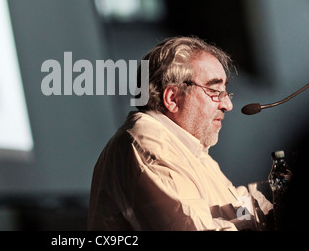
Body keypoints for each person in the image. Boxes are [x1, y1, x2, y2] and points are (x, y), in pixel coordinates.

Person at [88, 36, 254, 231]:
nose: (228, 105)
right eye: (215, 90)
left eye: (226, 92)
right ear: (173, 98)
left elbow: (236, 206)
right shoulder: (152, 146)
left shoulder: (189, 147)